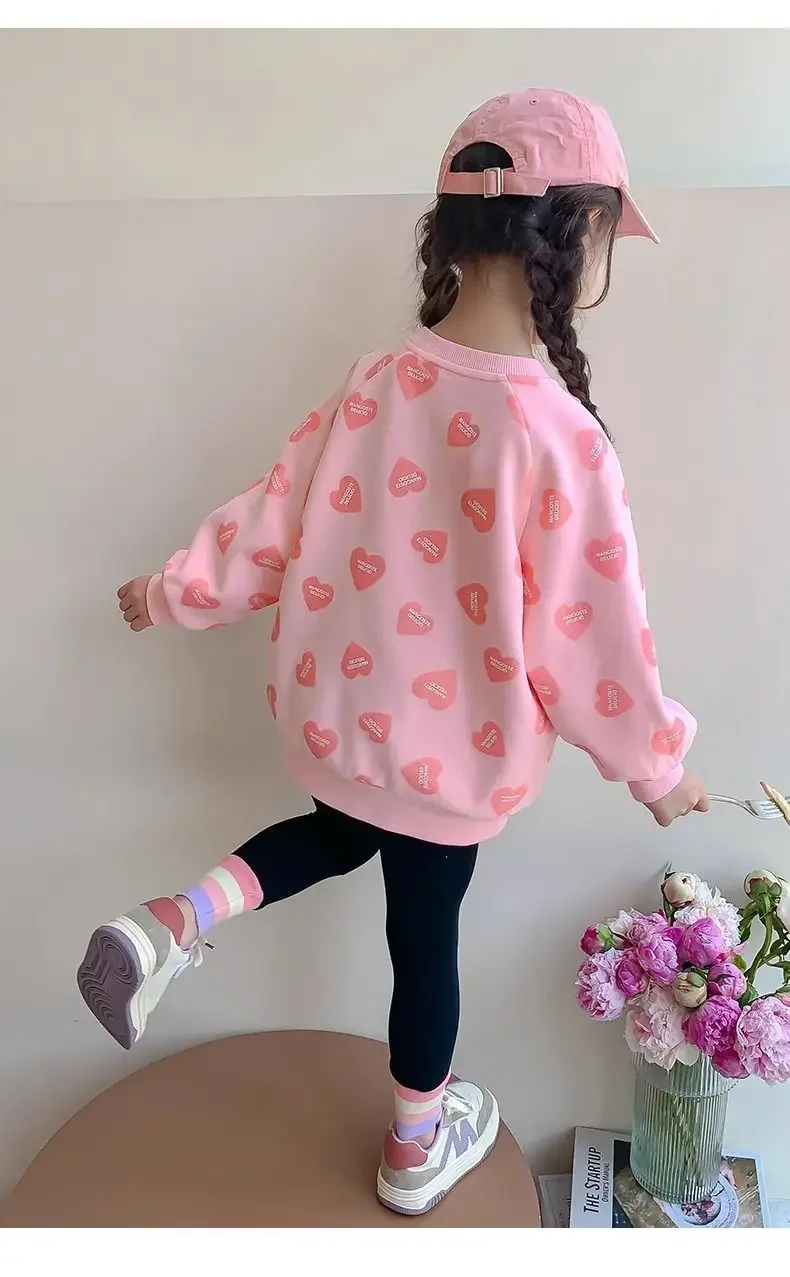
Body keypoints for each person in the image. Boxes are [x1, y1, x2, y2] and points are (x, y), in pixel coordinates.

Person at [78, 89, 709, 1216]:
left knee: (335, 831)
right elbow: (592, 637)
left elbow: (272, 515)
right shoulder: (559, 437)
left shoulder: (375, 381)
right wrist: (656, 767)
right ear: (580, 231)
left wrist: (175, 590)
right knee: (424, 941)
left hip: (341, 722)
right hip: (454, 759)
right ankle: (416, 1143)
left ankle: (176, 918)